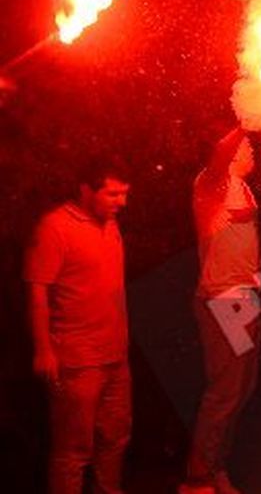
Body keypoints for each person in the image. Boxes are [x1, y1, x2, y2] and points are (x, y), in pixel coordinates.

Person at [24, 158, 132, 494]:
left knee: (115, 440)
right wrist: (43, 350)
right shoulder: (54, 227)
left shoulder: (110, 224)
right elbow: (37, 291)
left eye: (124, 194)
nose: (121, 203)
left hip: (116, 355)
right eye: (112, 194)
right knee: (74, 451)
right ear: (86, 190)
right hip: (77, 360)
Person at [181, 129, 261, 494]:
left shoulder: (243, 187)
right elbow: (218, 152)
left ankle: (216, 467)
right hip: (223, 297)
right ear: (230, 154)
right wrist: (245, 120)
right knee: (225, 391)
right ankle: (197, 478)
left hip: (246, 298)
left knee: (243, 389)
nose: (251, 149)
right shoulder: (211, 182)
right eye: (246, 145)